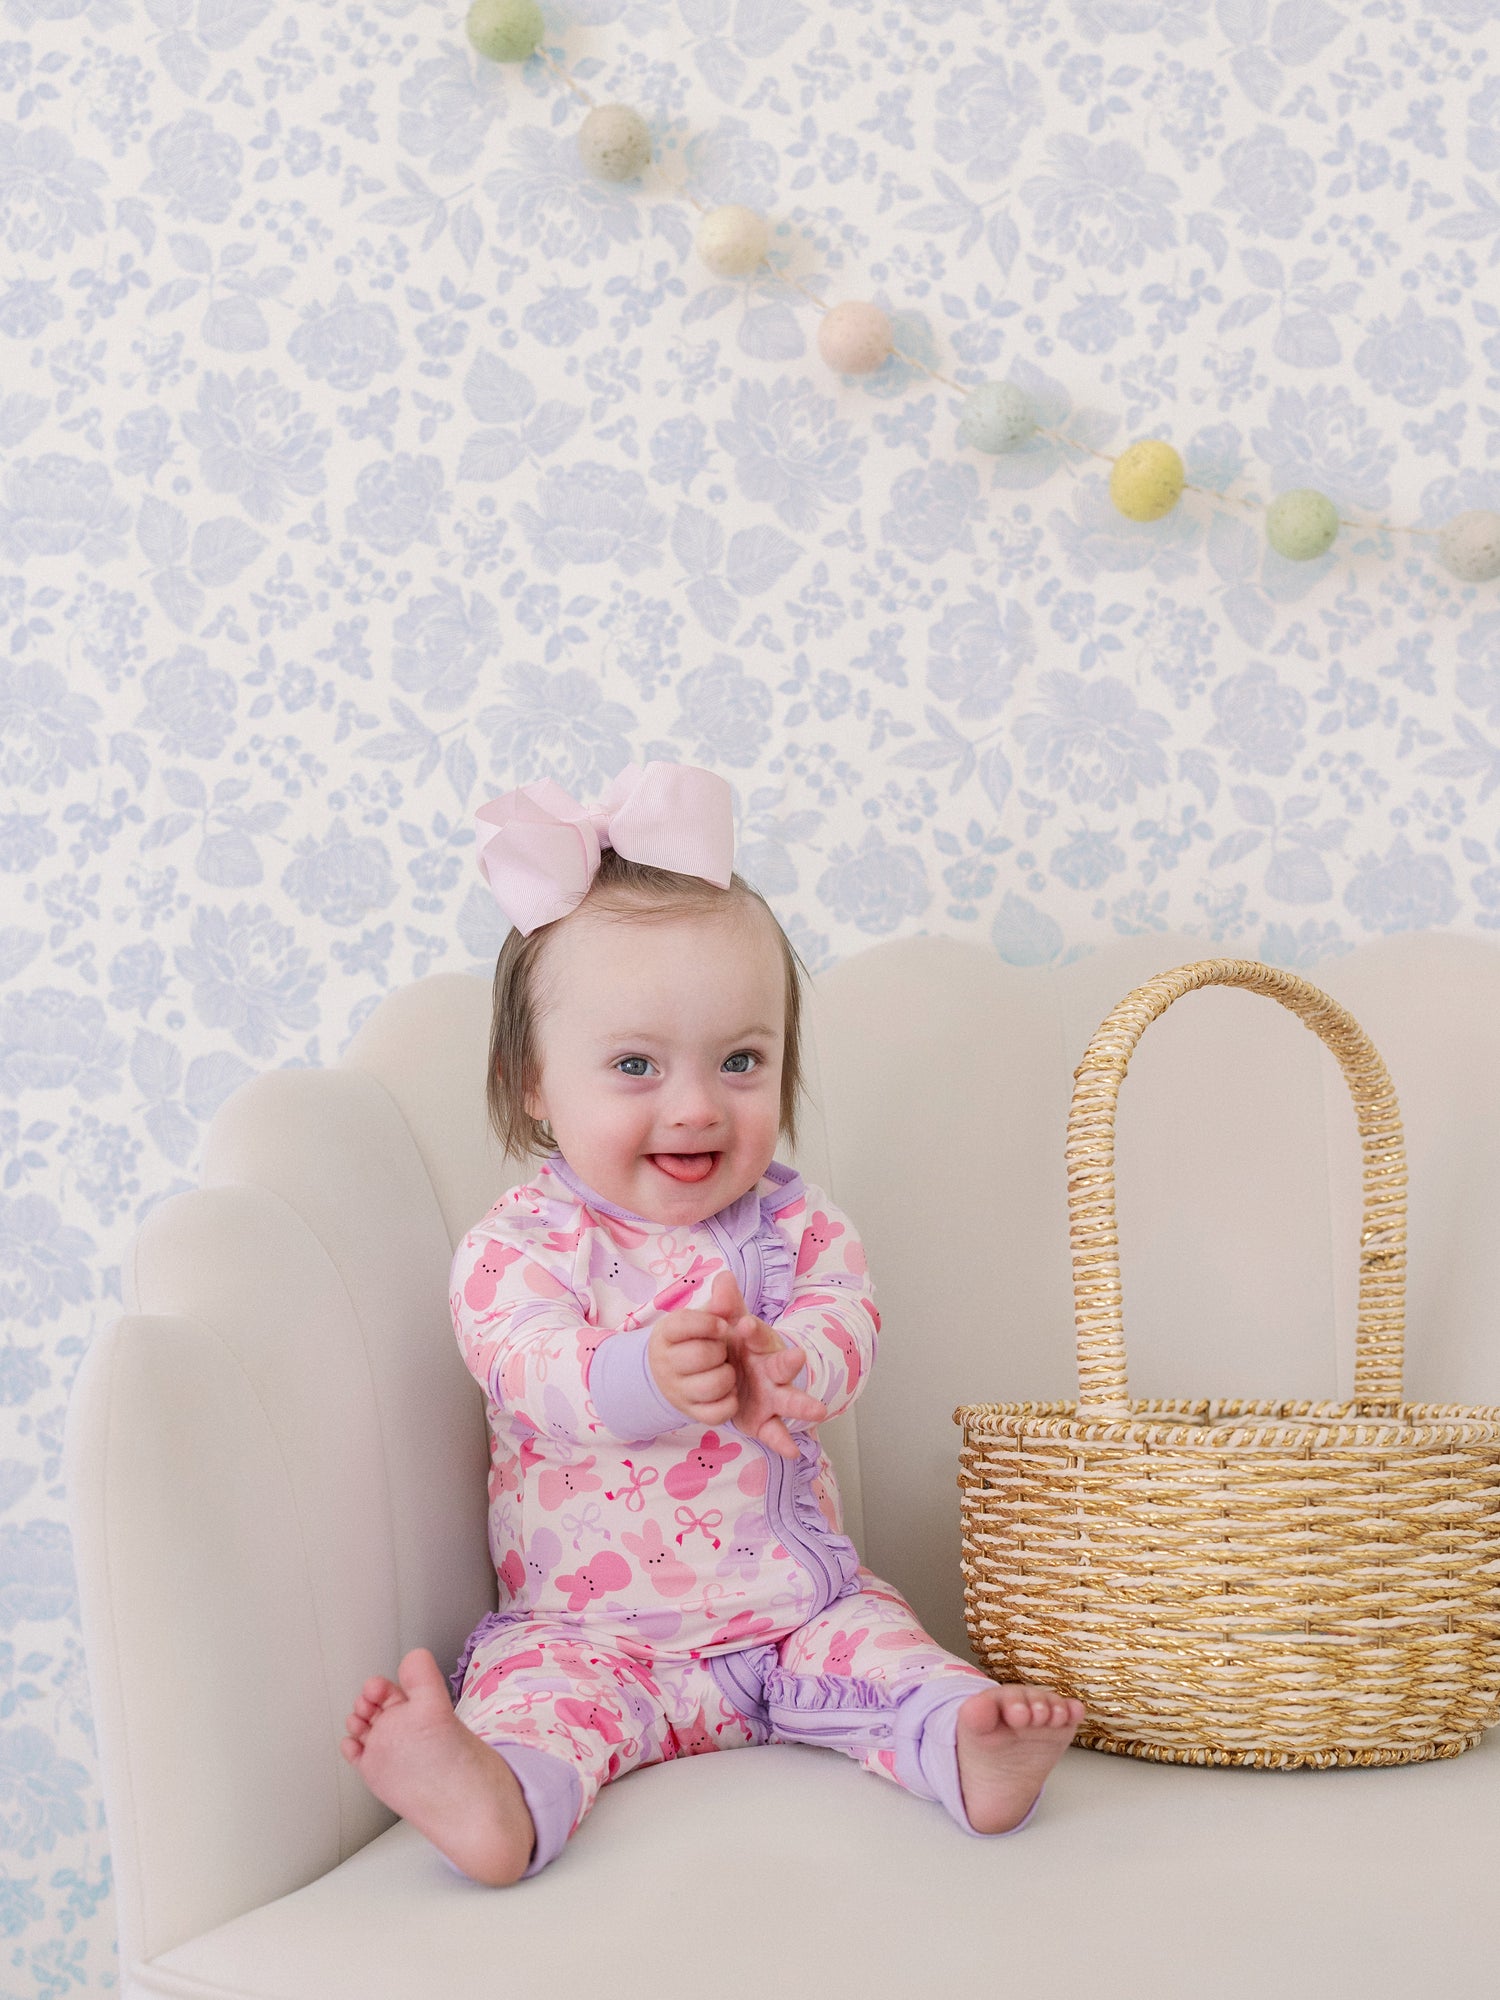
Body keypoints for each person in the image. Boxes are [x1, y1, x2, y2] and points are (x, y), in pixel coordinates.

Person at [340, 760, 1083, 1884]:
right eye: (636, 1065)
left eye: (741, 1060)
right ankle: (497, 1797)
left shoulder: (797, 1223)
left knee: (893, 1654)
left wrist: (793, 1362)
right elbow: (523, 1363)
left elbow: (849, 1325)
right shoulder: (523, 1242)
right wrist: (642, 1372)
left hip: (794, 1619)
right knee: (536, 1705)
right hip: (592, 1635)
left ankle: (966, 1746)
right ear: (533, 1080)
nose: (695, 1105)